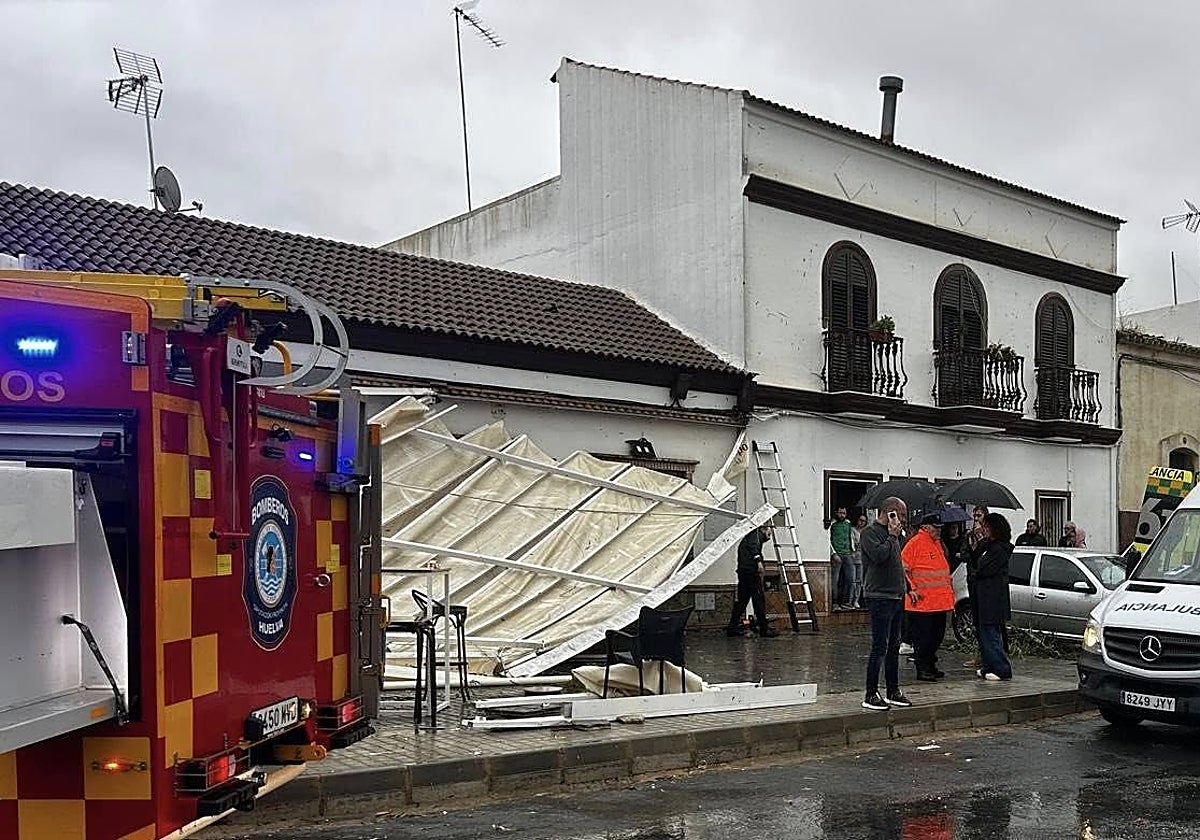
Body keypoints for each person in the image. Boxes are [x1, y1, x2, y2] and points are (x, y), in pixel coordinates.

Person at [859, 497, 913, 711]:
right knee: (880, 645)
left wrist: (907, 587)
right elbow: (879, 557)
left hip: (896, 595)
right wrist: (892, 536)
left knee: (894, 645)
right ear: (890, 512)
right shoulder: (869, 533)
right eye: (901, 515)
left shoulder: (896, 536)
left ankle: (893, 690)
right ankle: (870, 693)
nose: (902, 520)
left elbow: (896, 564)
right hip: (879, 595)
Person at [901, 512, 955, 681]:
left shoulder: (936, 543)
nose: (939, 531)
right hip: (923, 602)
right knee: (923, 637)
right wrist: (911, 589)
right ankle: (922, 667)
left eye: (940, 528)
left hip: (939, 602)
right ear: (925, 527)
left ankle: (930, 664)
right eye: (935, 528)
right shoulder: (915, 543)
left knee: (936, 636)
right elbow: (903, 569)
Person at [972, 512, 1014, 680]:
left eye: (987, 527)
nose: (984, 530)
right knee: (984, 634)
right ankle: (989, 665)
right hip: (983, 597)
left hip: (992, 598)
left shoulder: (1000, 550)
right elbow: (975, 558)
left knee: (992, 635)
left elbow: (983, 569)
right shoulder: (989, 546)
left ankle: (1001, 668)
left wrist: (976, 572)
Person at [726, 525, 780, 637]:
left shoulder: (752, 536)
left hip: (744, 572)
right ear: (763, 529)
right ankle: (764, 630)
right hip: (750, 573)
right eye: (769, 534)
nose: (769, 538)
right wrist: (759, 562)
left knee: (742, 602)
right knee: (758, 601)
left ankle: (732, 628)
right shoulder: (755, 535)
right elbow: (754, 548)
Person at [962, 504, 989, 669]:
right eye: (975, 516)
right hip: (973, 579)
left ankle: (988, 654)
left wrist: (980, 539)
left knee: (986, 619)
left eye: (979, 516)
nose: (976, 519)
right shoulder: (969, 536)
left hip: (985, 581)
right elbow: (964, 554)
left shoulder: (988, 537)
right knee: (976, 619)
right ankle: (980, 654)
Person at [828, 507, 855, 611]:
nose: (842, 515)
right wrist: (833, 553)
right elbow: (828, 539)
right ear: (836, 513)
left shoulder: (848, 524)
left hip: (847, 553)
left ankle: (846, 602)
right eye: (840, 513)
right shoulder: (832, 524)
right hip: (837, 554)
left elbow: (850, 537)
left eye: (844, 513)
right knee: (835, 580)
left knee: (850, 579)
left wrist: (852, 550)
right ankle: (835, 603)